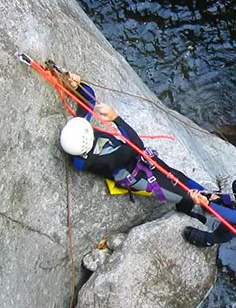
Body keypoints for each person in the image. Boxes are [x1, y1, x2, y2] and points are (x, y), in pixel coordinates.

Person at [57, 70, 206, 221]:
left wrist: (77, 85)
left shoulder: (77, 145)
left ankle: (208, 196)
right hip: (136, 176)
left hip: (133, 161)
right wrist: (116, 118)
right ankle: (194, 217)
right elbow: (136, 146)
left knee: (178, 175)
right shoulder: (106, 161)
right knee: (182, 195)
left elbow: (88, 97)